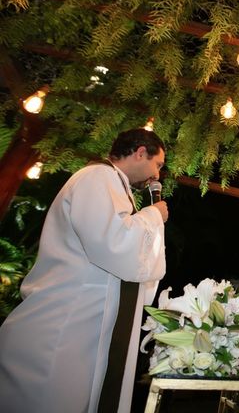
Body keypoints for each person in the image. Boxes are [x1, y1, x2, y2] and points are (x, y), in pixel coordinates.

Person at [0, 128, 169, 413]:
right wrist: (153, 216)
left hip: (80, 326)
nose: (158, 175)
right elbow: (112, 243)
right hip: (61, 326)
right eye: (158, 165)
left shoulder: (114, 184)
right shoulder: (97, 177)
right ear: (140, 152)